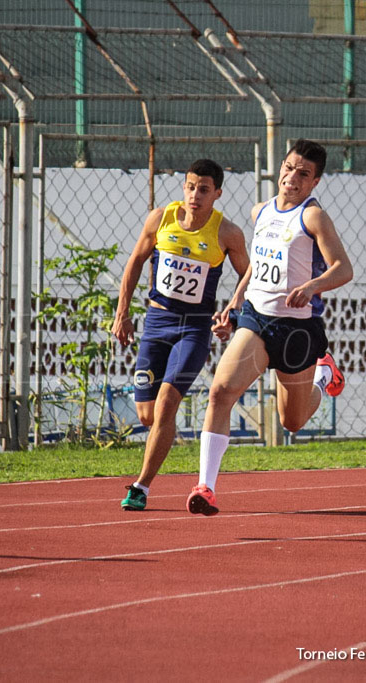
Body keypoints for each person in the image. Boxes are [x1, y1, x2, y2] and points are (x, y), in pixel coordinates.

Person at [186, 139, 354, 516]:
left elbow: (343, 269)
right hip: (257, 321)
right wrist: (234, 302)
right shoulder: (259, 212)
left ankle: (322, 378)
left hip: (296, 330)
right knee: (220, 392)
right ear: (280, 168)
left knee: (290, 421)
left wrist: (311, 286)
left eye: (303, 174)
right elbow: (257, 269)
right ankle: (206, 487)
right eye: (289, 168)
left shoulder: (313, 218)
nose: (292, 179)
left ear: (315, 183)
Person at [112, 159, 249, 511]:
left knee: (167, 403)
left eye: (204, 189)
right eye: (190, 187)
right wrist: (122, 313)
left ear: (217, 193)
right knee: (147, 415)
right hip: (156, 325)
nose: (195, 195)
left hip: (195, 328)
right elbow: (135, 262)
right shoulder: (161, 219)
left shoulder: (227, 233)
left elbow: (251, 275)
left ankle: (140, 486)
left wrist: (232, 313)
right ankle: (163, 438)